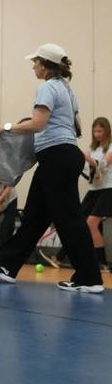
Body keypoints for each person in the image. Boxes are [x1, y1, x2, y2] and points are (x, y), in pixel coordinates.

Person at [0, 43, 102, 292]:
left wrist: (4, 127)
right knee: (35, 216)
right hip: (62, 156)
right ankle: (7, 264)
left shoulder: (47, 87)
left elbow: (38, 123)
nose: (33, 66)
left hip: (56, 158)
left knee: (69, 219)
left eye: (36, 62)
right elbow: (75, 128)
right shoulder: (67, 90)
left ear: (45, 65)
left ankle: (89, 278)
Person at [80, 117, 112, 273]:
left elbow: (103, 165)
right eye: (95, 131)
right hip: (94, 190)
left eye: (100, 130)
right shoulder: (92, 149)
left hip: (108, 190)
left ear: (106, 131)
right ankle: (59, 258)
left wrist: (91, 161)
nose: (97, 134)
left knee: (91, 223)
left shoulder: (111, 147)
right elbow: (88, 170)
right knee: (79, 222)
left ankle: (102, 263)